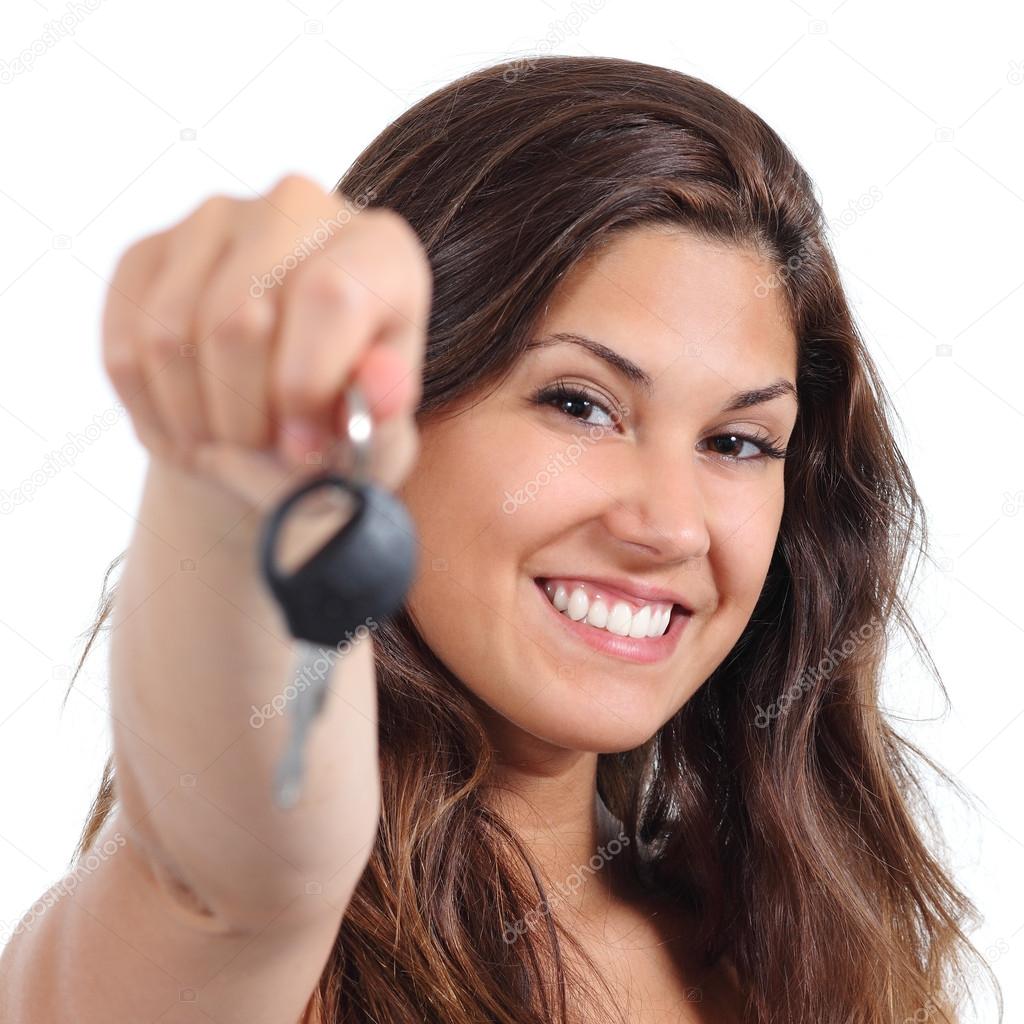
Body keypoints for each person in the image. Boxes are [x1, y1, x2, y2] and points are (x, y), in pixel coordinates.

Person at [0, 54, 996, 1023]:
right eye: (579, 403)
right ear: (397, 409)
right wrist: (256, 453)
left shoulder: (806, 958)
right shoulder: (222, 948)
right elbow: (235, 872)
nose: (668, 524)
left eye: (735, 441)